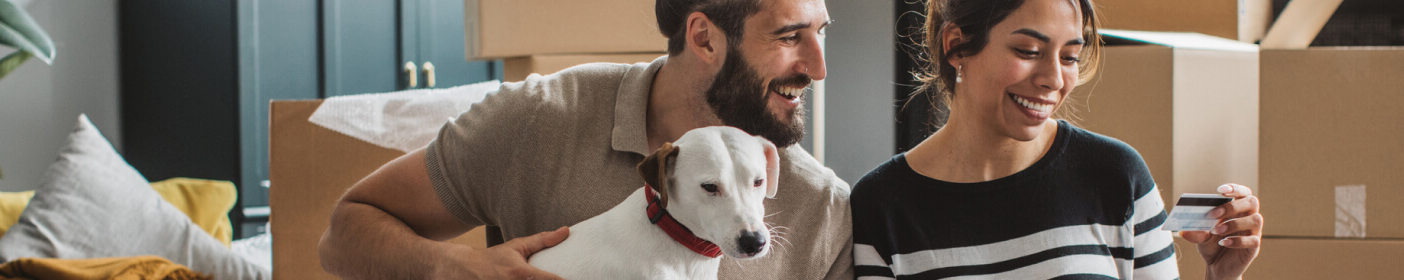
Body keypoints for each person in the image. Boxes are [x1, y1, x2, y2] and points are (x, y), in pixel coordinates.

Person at [316, 0, 855, 279]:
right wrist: (447, 268)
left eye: (821, 32)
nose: (820, 68)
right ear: (703, 38)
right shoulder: (539, 119)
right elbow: (345, 231)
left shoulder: (823, 208)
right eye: (789, 36)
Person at [850, 0, 1264, 279]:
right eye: (1029, 50)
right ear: (956, 46)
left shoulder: (1118, 177)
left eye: (1069, 57)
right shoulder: (882, 207)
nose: (1054, 79)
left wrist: (1221, 277)